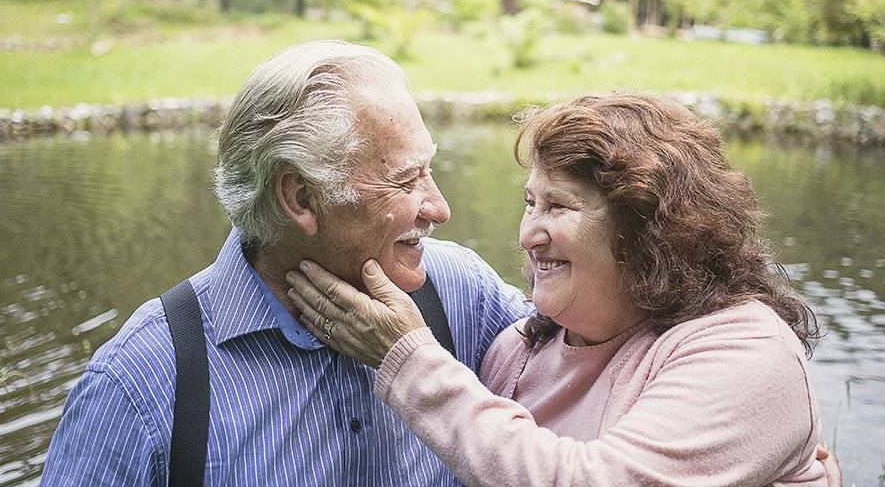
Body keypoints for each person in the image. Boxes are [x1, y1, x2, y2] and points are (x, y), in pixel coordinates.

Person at [40, 40, 529, 485]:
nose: (440, 208)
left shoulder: (463, 294)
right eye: (405, 181)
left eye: (430, 170)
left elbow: (597, 378)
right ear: (300, 198)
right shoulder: (139, 385)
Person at [290, 93, 832, 486]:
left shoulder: (745, 352)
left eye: (559, 207)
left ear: (648, 228)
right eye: (530, 203)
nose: (529, 234)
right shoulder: (521, 351)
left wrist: (407, 360)